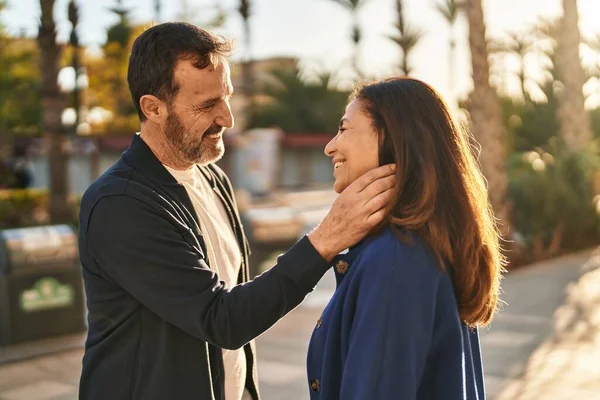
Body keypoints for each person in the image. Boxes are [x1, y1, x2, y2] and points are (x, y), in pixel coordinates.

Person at [77, 22, 396, 400]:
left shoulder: (214, 179)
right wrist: (327, 238)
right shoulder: (120, 204)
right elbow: (222, 318)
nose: (227, 118)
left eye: (225, 96)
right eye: (207, 105)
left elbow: (237, 302)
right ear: (153, 108)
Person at [306, 77, 504, 399]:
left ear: (392, 138)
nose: (330, 146)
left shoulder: (396, 261)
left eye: (344, 129)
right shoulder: (415, 248)